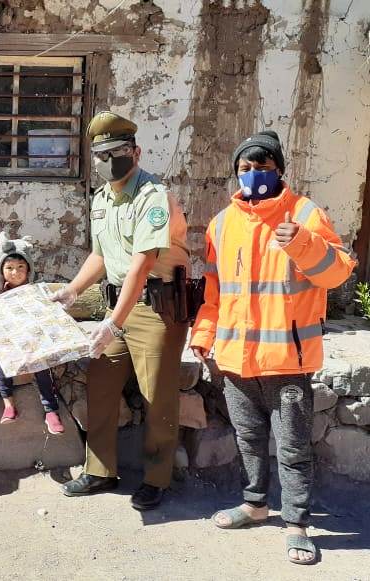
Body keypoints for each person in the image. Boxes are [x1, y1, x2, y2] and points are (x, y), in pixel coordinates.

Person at [190, 131, 356, 565]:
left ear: (279, 169)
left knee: (293, 445)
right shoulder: (221, 224)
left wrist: (301, 242)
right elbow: (214, 292)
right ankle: (255, 504)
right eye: (245, 168)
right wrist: (204, 335)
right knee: (248, 438)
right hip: (236, 359)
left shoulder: (305, 214)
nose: (253, 174)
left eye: (262, 166)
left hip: (287, 360)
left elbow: (338, 274)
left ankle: (298, 524)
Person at [52, 111, 190, 511]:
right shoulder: (101, 199)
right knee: (102, 383)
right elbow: (101, 255)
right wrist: (72, 291)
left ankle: (156, 477)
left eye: (117, 152)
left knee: (156, 397)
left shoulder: (153, 198)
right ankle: (100, 470)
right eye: (101, 155)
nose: (109, 161)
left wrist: (112, 322)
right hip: (118, 305)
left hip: (156, 309)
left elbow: (142, 264)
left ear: (136, 152)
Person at [0, 234, 65, 434]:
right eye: (9, 268)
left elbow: (47, 318)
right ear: (1, 271)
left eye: (21, 267)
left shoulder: (37, 292)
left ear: (29, 269)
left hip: (34, 342)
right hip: (9, 344)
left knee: (42, 366)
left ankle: (51, 410)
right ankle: (8, 405)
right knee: (0, 365)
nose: (15, 273)